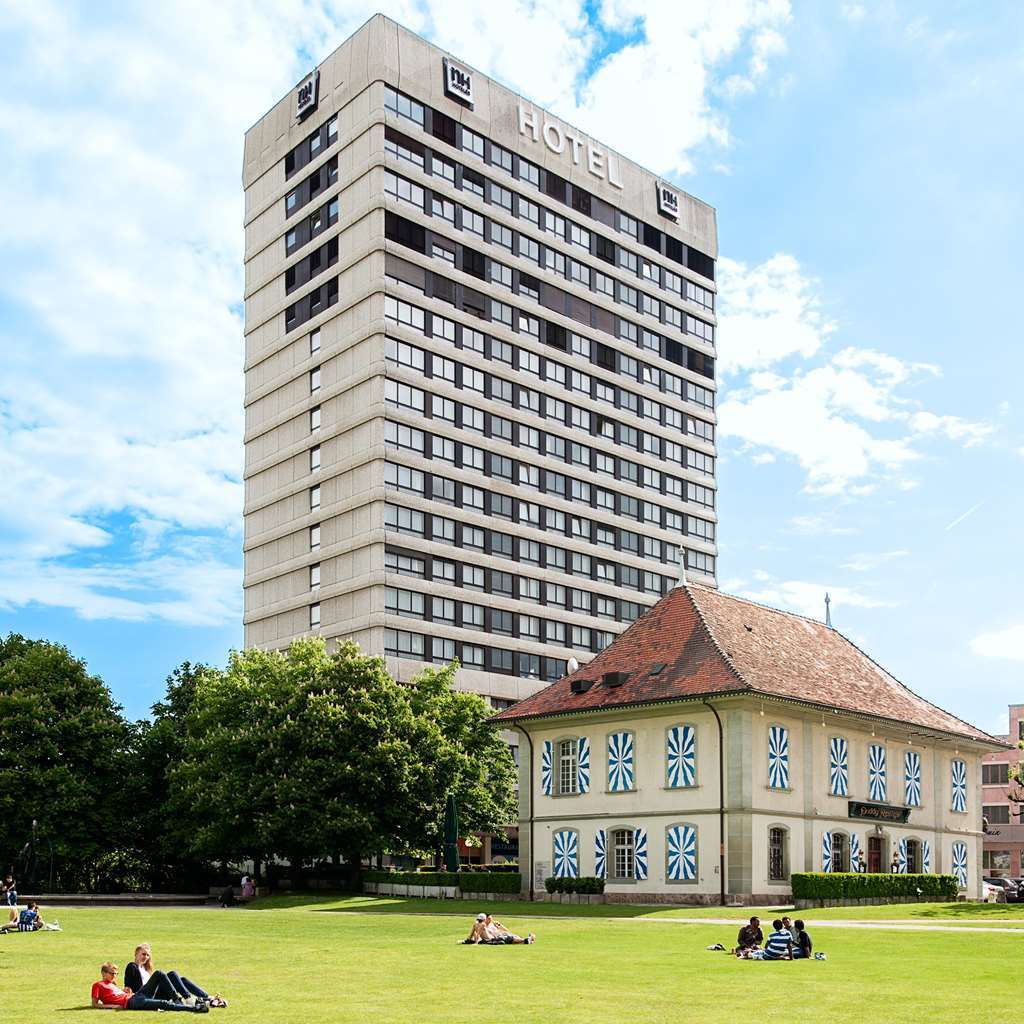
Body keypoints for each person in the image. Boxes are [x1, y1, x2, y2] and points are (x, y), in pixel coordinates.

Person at [124, 944, 227, 1009]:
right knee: (167, 974)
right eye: (143, 954)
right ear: (136, 953)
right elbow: (128, 986)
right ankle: (185, 999)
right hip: (146, 997)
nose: (145, 957)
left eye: (147, 955)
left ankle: (207, 998)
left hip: (156, 994)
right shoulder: (132, 966)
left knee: (181, 979)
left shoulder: (146, 969)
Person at [90, 962, 209, 1012]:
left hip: (136, 996)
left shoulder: (112, 984)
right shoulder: (97, 985)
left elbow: (115, 995)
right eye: (112, 973)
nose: (114, 976)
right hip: (132, 1002)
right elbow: (94, 1004)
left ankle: (177, 1000)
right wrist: (112, 1006)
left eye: (116, 974)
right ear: (104, 973)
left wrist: (125, 990)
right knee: (163, 1004)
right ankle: (194, 1008)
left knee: (159, 973)